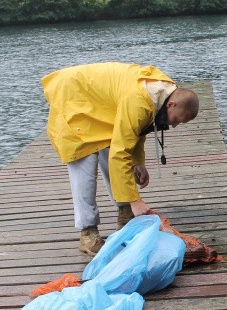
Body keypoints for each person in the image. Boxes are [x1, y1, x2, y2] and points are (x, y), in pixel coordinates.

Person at [41, 62, 200, 255]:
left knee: (111, 151)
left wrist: (138, 162)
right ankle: (88, 233)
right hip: (73, 99)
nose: (174, 125)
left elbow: (137, 129)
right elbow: (120, 153)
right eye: (177, 119)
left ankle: (125, 215)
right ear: (172, 104)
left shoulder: (163, 93)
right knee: (84, 165)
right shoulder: (140, 100)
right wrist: (135, 200)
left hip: (99, 105)